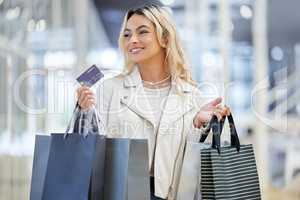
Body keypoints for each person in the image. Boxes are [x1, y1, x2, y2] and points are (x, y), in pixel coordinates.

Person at [77, 4, 230, 200]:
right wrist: (85, 112)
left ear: (165, 38)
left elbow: (194, 162)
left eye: (142, 32)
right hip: (122, 193)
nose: (133, 40)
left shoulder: (191, 95)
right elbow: (93, 149)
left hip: (170, 194)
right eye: (127, 34)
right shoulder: (110, 89)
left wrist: (197, 125)